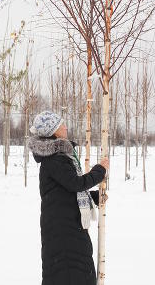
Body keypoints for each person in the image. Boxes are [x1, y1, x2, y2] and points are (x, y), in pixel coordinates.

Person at [28, 110, 109, 285]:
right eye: (60, 124)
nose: (65, 126)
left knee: (73, 271)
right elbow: (75, 183)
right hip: (62, 229)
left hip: (66, 224)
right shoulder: (54, 158)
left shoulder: (60, 156)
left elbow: (66, 190)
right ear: (53, 131)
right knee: (69, 273)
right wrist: (99, 171)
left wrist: (93, 197)